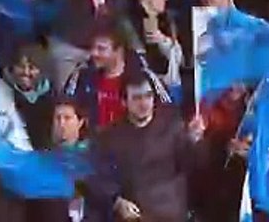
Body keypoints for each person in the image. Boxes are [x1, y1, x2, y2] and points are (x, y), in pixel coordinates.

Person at [87, 73, 206, 222]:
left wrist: (195, 140)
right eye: (137, 98)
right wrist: (116, 202)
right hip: (133, 216)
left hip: (170, 213)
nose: (144, 103)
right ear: (124, 102)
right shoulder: (110, 136)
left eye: (148, 96)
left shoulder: (173, 126)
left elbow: (193, 165)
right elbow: (99, 178)